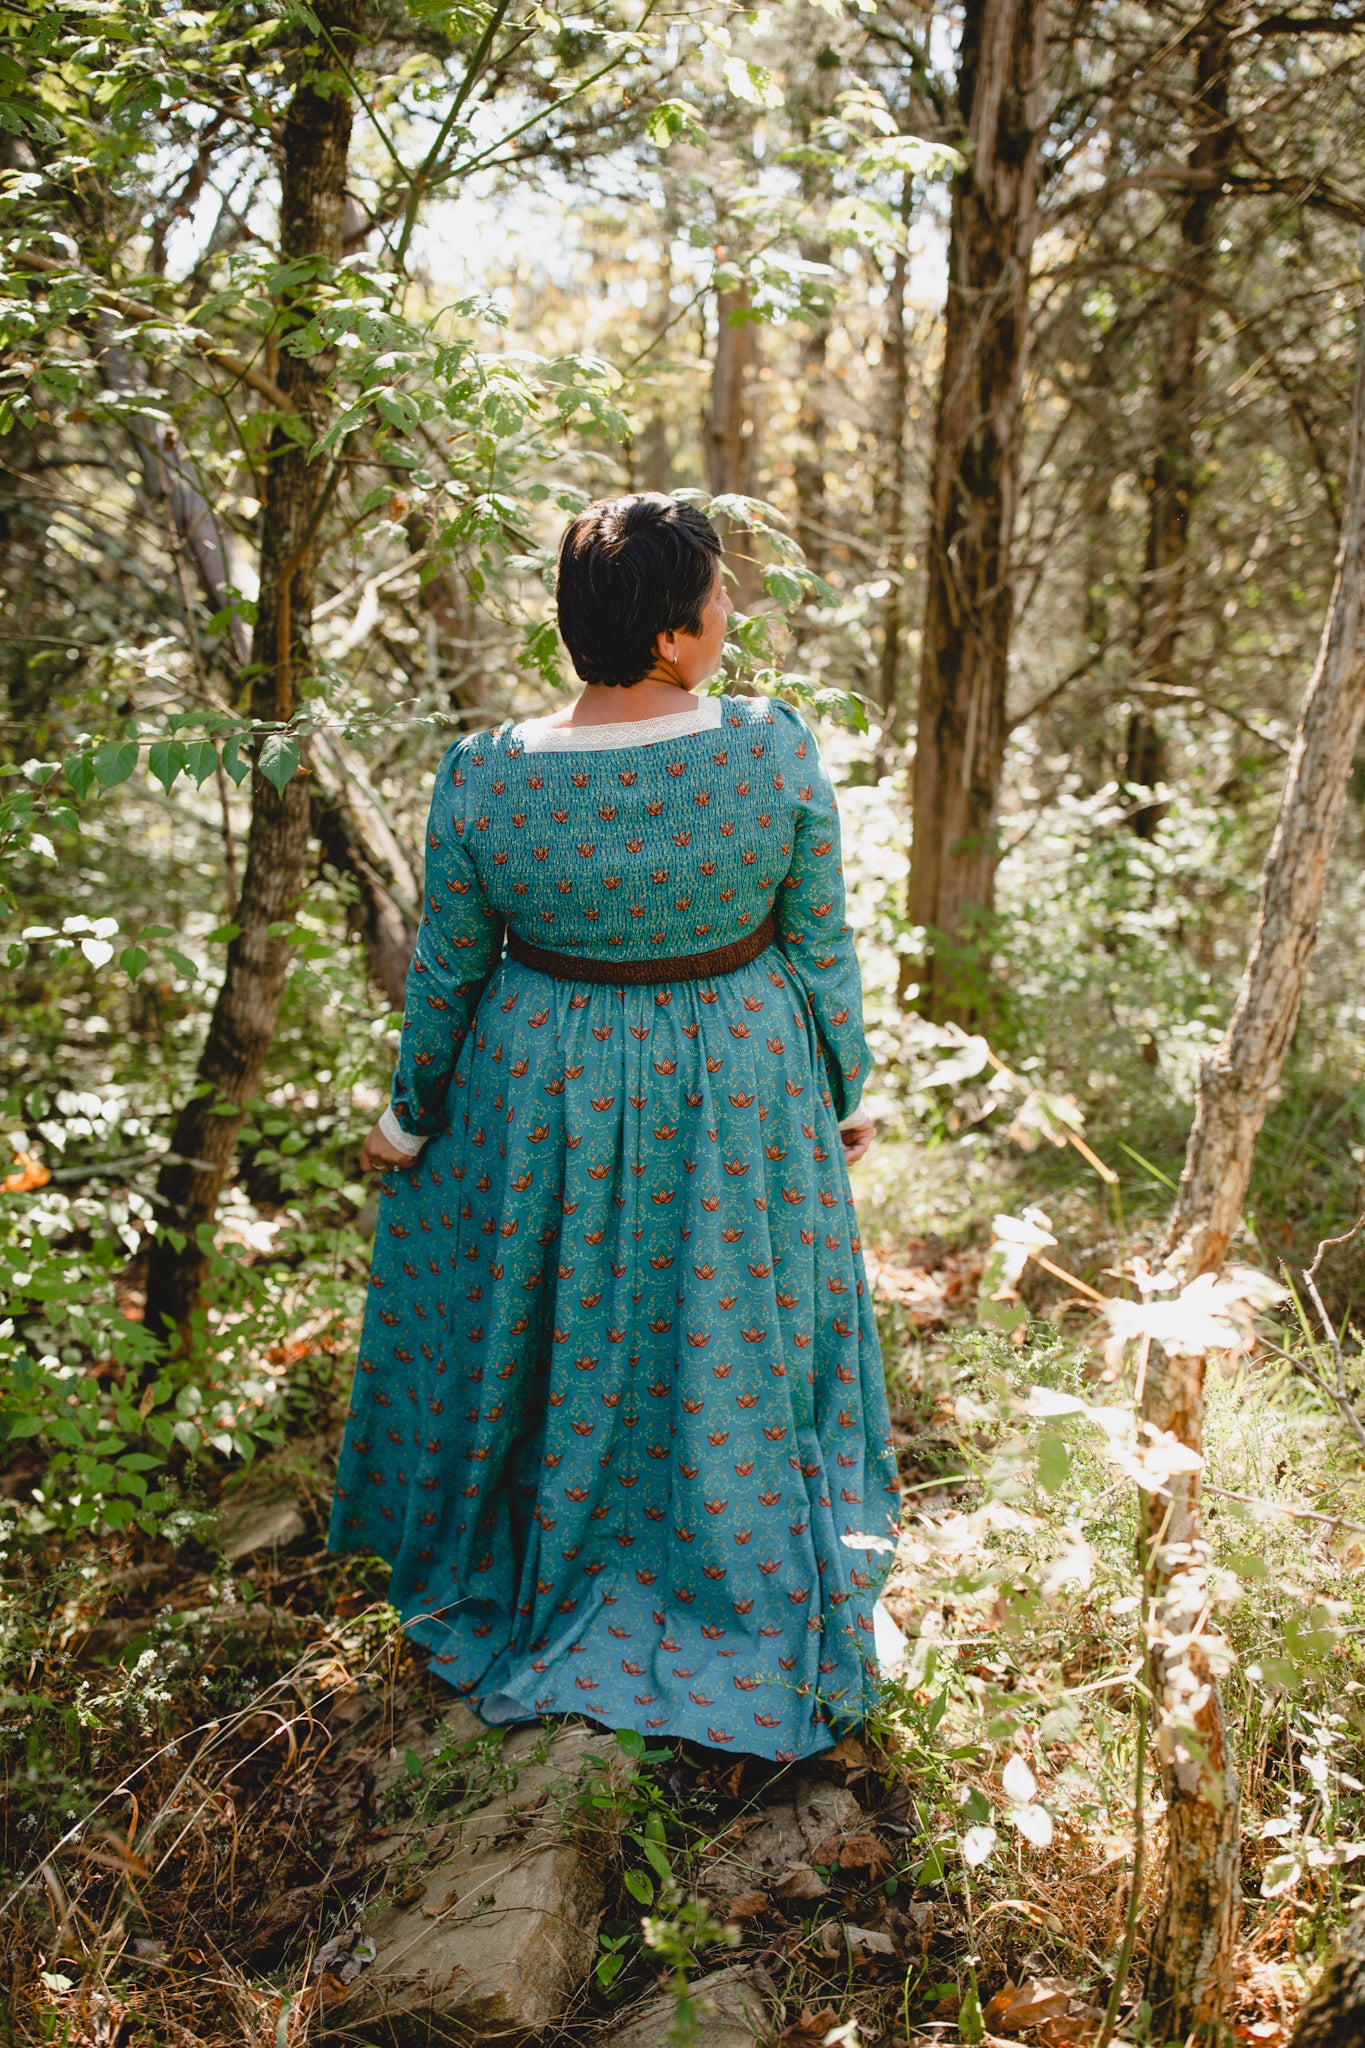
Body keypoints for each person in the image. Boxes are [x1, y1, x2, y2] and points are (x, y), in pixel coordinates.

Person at [329, 493, 899, 1761]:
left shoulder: (488, 774)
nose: (729, 610)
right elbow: (817, 937)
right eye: (717, 595)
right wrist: (849, 1084)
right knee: (728, 1312)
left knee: (567, 1309)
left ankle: (549, 1551)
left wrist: (409, 1116)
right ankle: (725, 1557)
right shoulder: (768, 747)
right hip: (736, 1074)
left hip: (548, 1087)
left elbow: (449, 974)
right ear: (674, 632)